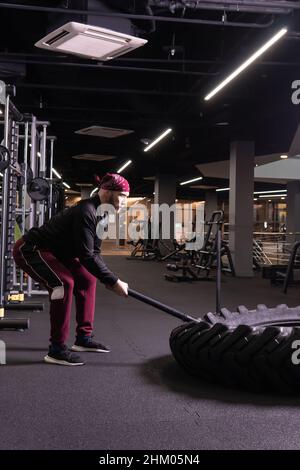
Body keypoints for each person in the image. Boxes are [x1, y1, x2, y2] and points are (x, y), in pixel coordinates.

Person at [13, 173, 130, 366]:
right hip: (32, 250)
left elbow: (95, 251)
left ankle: (83, 338)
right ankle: (57, 349)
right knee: (63, 283)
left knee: (88, 278)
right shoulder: (86, 211)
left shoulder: (104, 214)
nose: (125, 201)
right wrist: (113, 281)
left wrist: (108, 279)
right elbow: (86, 255)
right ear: (107, 192)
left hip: (59, 254)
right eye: (123, 196)